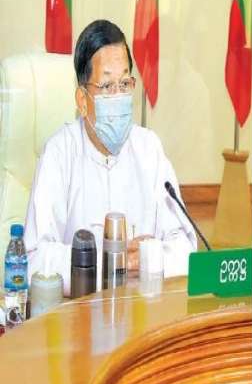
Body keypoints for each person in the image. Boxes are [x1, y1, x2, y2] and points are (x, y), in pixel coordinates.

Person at [24, 20, 197, 296]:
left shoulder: (149, 148)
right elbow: (35, 258)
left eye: (125, 83)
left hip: (142, 312)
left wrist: (144, 257)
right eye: (106, 86)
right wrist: (111, 263)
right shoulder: (59, 152)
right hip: (79, 312)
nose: (118, 96)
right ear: (82, 100)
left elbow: (186, 249)